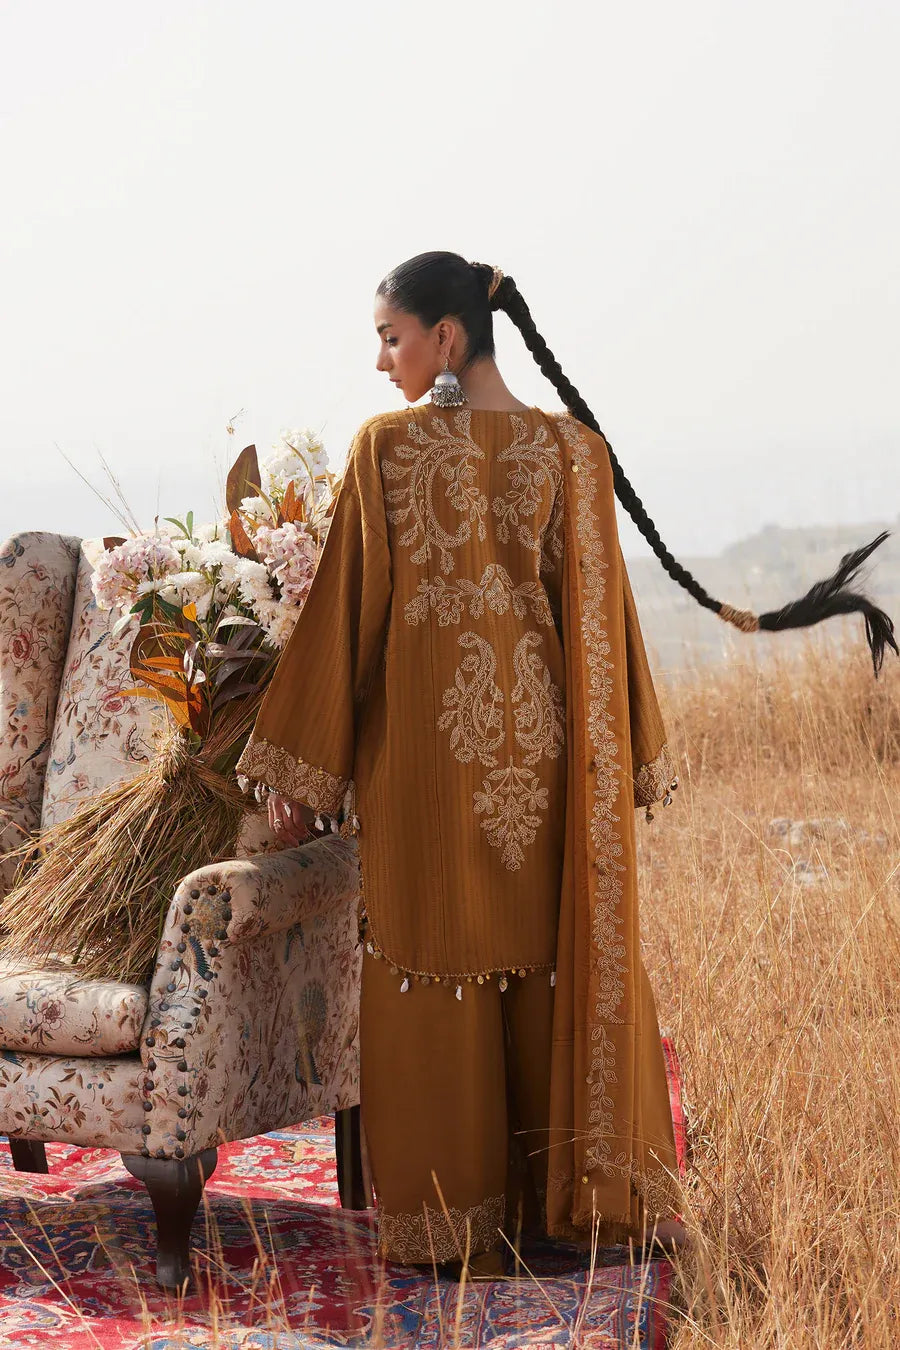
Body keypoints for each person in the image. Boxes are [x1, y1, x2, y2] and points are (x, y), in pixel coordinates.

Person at [235, 251, 895, 1277]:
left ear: (446, 337)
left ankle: (451, 1222)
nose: (381, 362)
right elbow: (605, 625)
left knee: (431, 952)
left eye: (391, 339)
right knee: (544, 955)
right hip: (545, 772)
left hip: (424, 767)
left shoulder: (388, 451)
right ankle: (562, 1208)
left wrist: (300, 770)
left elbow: (347, 614)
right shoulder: (573, 454)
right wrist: (626, 759)